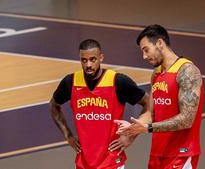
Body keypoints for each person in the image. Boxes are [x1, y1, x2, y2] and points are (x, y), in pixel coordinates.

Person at [49, 39, 149, 169]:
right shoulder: (71, 82)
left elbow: (149, 103)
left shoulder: (118, 81)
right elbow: (53, 105)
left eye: (92, 59)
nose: (88, 65)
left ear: (101, 58)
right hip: (83, 163)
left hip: (111, 162)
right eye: (84, 60)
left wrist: (131, 134)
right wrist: (68, 135)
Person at [115, 24, 204, 169]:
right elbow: (151, 112)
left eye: (146, 50)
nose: (144, 56)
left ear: (160, 43)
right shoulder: (156, 75)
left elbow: (187, 119)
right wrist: (132, 130)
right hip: (158, 153)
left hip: (181, 154)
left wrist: (148, 128)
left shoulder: (187, 71)